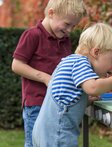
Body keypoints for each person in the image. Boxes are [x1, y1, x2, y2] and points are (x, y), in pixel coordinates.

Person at [32, 22, 112, 147]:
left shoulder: (69, 61)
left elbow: (67, 97)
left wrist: (84, 100)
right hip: (58, 134)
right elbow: (93, 88)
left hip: (44, 133)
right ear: (96, 52)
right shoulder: (80, 62)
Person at [11, 0, 86, 146]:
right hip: (36, 104)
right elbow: (16, 65)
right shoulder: (32, 35)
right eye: (67, 24)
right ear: (51, 13)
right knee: (36, 143)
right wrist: (45, 78)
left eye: (74, 26)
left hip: (58, 106)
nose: (70, 30)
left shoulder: (64, 39)